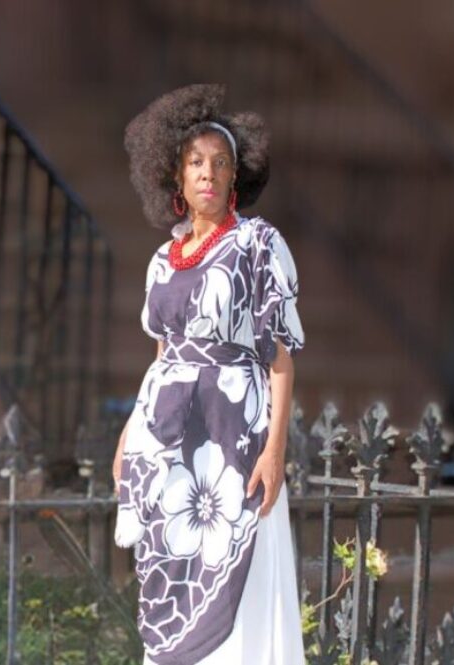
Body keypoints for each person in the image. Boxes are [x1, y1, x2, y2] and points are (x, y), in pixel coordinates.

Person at [112, 84, 305, 665]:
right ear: (174, 177)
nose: (208, 174)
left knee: (235, 562)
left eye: (220, 163)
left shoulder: (258, 244)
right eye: (195, 162)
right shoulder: (162, 260)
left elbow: (280, 356)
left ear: (236, 175)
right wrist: (129, 431)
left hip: (233, 432)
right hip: (168, 437)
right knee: (172, 563)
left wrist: (275, 450)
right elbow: (161, 355)